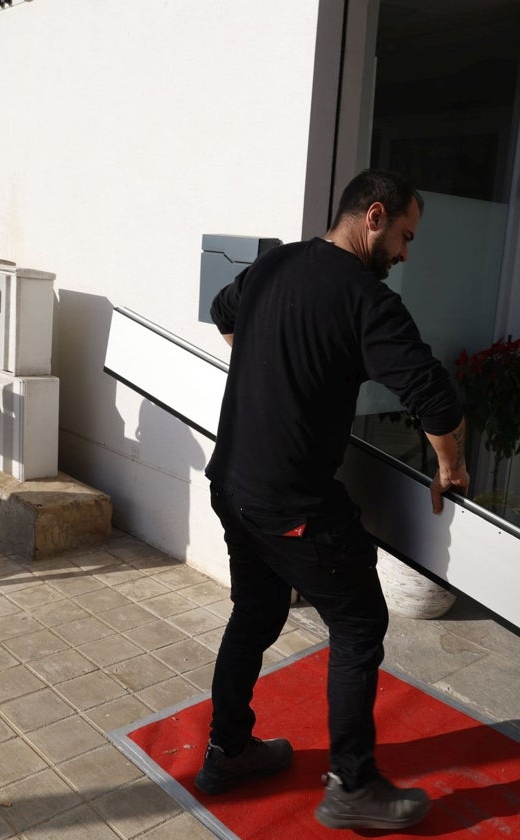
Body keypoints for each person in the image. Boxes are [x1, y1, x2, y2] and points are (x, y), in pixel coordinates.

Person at [198, 169, 469, 831]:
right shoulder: (364, 300)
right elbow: (434, 397)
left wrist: (268, 370)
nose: (406, 253)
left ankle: (228, 751)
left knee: (256, 612)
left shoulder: (274, 266)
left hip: (232, 486)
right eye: (405, 235)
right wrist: (450, 467)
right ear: (374, 216)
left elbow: (222, 313)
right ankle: (353, 785)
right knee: (358, 625)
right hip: (290, 505)